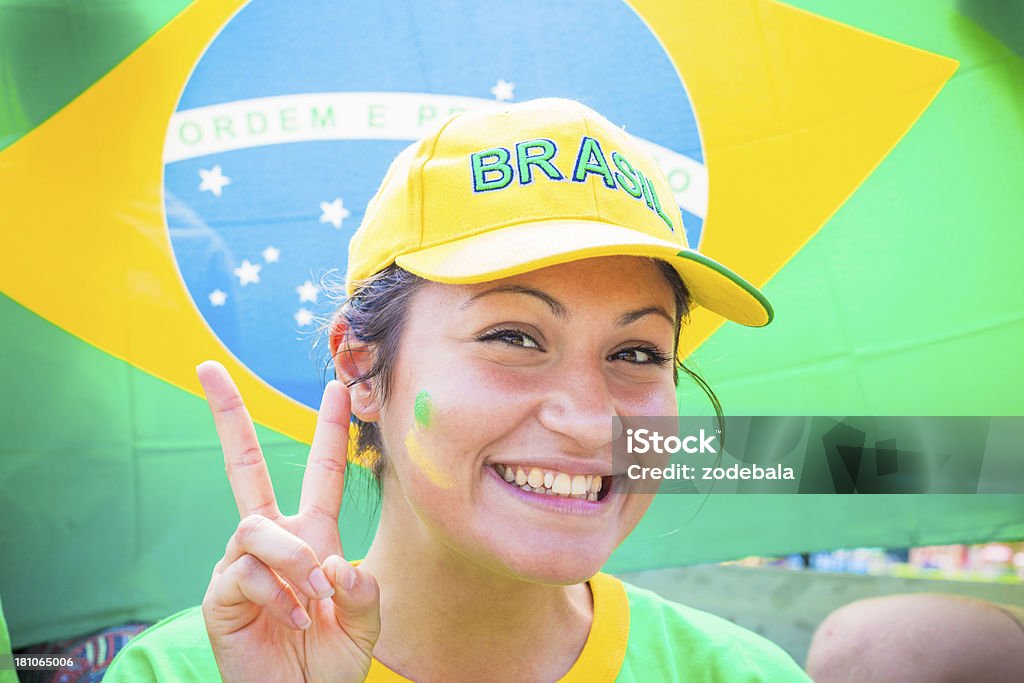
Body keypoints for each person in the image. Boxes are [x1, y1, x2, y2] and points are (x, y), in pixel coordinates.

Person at [104, 98, 810, 681]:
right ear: (361, 367)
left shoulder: (743, 673)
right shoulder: (185, 670)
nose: (591, 421)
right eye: (514, 337)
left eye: (636, 351)